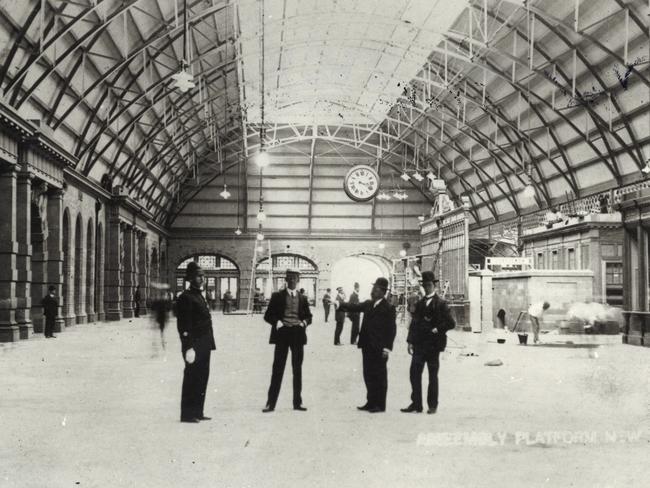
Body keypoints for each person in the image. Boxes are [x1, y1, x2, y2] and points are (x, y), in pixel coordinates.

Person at [338, 278, 396, 413]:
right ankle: (370, 402)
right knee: (368, 374)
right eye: (373, 289)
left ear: (382, 292)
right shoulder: (369, 304)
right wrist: (338, 304)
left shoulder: (388, 308)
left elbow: (391, 330)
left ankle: (380, 405)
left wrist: (387, 348)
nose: (372, 292)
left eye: (375, 290)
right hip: (367, 345)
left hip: (380, 348)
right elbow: (354, 307)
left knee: (379, 376)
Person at [402, 272, 455, 415]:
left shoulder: (442, 304)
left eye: (429, 285)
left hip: (433, 346)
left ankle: (432, 405)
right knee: (414, 374)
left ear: (434, 285)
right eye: (424, 285)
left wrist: (437, 329)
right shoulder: (419, 304)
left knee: (432, 376)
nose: (427, 287)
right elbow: (414, 324)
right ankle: (416, 404)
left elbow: (451, 323)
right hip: (419, 345)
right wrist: (410, 342)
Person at [262, 269, 312, 412]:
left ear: (298, 280)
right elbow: (267, 315)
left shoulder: (303, 298)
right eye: (289, 278)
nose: (292, 281)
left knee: (297, 370)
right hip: (282, 334)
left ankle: (298, 403)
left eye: (294, 278)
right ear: (286, 279)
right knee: (277, 368)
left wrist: (304, 323)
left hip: (297, 334)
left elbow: (309, 316)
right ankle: (270, 403)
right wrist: (277, 322)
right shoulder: (277, 296)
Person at [176, 262, 216, 423]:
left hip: (205, 343)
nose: (202, 279)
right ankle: (187, 414)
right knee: (191, 378)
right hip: (193, 345)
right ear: (191, 278)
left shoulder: (199, 295)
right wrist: (188, 347)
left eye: (203, 276)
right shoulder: (186, 297)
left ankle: (198, 411)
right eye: (199, 276)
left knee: (202, 377)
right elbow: (183, 325)